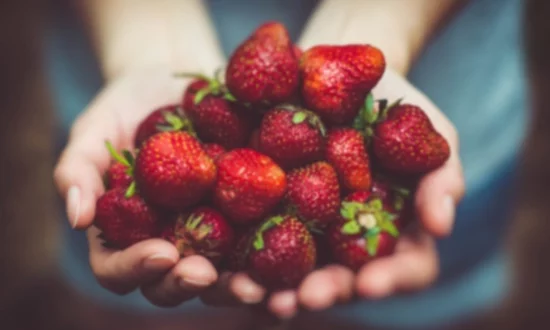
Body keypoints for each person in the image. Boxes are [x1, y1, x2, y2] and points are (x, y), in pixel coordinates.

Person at [51, 0, 528, 328]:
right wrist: (148, 45)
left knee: (420, 314)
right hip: (117, 38)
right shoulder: (221, 160)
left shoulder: (321, 158)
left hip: (452, 81)